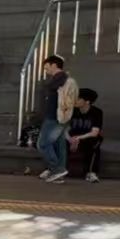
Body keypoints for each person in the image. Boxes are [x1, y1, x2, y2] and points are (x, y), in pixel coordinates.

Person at [35, 56, 79, 184]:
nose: (45, 69)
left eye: (46, 66)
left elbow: (70, 100)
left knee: (43, 143)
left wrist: (64, 114)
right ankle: (58, 173)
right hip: (55, 116)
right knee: (59, 145)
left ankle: (56, 169)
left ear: (54, 65)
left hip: (56, 117)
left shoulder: (66, 81)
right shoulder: (57, 81)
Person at [67, 88, 103, 183]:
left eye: (78, 99)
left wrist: (78, 138)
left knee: (94, 143)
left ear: (87, 101)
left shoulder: (96, 112)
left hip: (87, 137)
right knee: (58, 142)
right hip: (72, 137)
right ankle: (56, 169)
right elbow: (64, 128)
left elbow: (94, 132)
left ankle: (91, 172)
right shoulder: (71, 111)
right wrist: (70, 139)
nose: (75, 100)